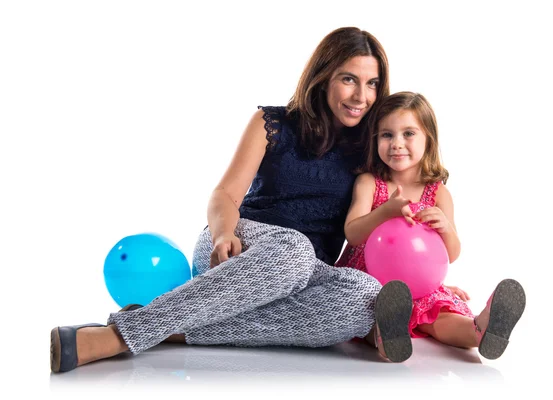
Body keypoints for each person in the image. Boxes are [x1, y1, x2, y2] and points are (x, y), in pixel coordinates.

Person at [50, 27, 428, 374]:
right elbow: (225, 195)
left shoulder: (372, 144)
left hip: (308, 276)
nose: (362, 96)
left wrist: (435, 282)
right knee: (293, 250)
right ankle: (119, 336)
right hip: (238, 249)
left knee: (365, 297)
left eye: (372, 83)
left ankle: (172, 328)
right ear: (324, 75)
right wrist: (221, 234)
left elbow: (405, 200)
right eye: (349, 79)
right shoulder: (272, 124)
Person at [335, 91, 527, 360]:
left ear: (429, 139)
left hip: (420, 284)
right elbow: (352, 234)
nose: (396, 144)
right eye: (387, 135)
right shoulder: (369, 182)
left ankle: (480, 329)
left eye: (408, 134)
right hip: (368, 279)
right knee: (368, 310)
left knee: (438, 313)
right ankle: (385, 335)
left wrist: (446, 227)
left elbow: (452, 253)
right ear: (375, 140)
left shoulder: (437, 193)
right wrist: (385, 212)